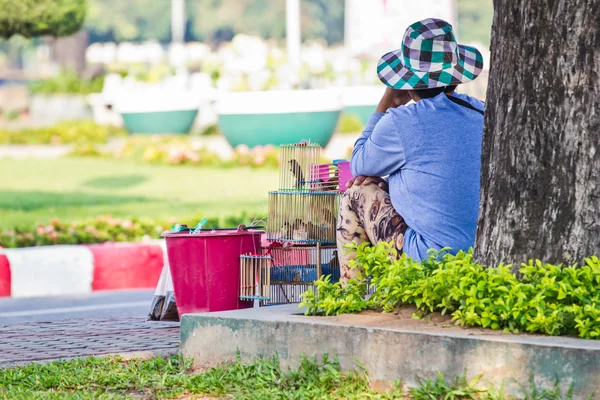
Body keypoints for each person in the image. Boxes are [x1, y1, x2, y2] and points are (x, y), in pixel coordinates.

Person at [337, 18, 485, 283]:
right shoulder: (481, 112)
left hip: (430, 258)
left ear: (407, 80)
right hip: (482, 255)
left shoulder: (400, 122)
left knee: (357, 193)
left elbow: (358, 164)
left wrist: (388, 102)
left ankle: (352, 297)